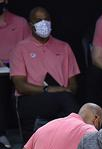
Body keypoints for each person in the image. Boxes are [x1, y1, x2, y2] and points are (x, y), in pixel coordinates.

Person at [10, 7, 79, 141]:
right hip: (32, 98)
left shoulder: (64, 47)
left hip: (63, 97)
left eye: (46, 19)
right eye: (39, 20)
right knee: (66, 101)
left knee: (66, 99)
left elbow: (73, 84)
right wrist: (49, 89)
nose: (44, 23)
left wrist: (63, 91)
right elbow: (20, 86)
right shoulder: (20, 48)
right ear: (30, 25)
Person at [0, 0, 30, 148]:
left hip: (18, 68)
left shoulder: (20, 22)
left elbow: (30, 48)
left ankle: (28, 137)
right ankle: (1, 135)